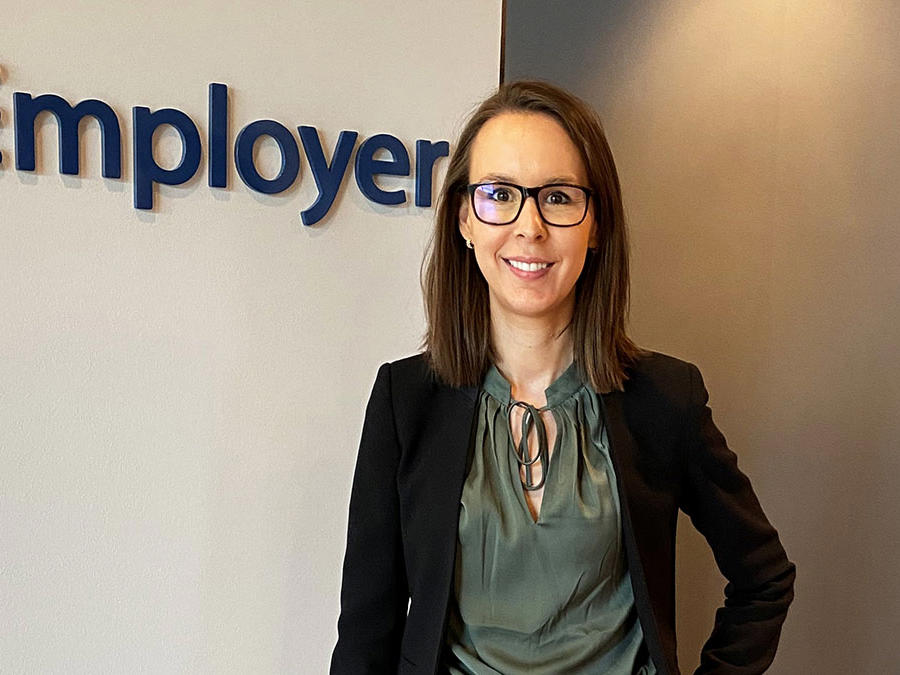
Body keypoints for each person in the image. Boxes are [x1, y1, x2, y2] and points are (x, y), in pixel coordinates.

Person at [330, 80, 795, 675]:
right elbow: (366, 635)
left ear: (596, 224)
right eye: (500, 194)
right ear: (464, 219)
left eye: (557, 197)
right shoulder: (405, 400)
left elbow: (763, 578)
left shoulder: (665, 399)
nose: (530, 227)